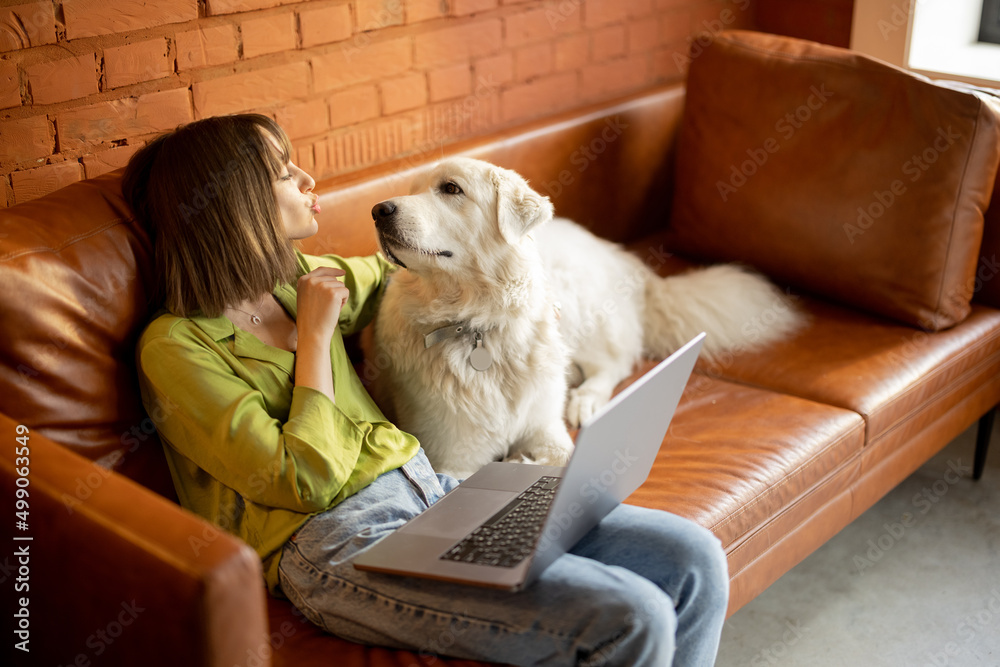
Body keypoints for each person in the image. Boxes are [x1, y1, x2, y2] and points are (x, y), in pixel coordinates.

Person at [123, 113, 729, 666]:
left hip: (432, 493)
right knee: (632, 616)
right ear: (235, 203)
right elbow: (302, 481)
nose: (307, 178)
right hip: (334, 548)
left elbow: (427, 260)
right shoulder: (176, 348)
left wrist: (525, 301)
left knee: (693, 557)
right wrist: (313, 338)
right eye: (284, 173)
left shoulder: (300, 281)